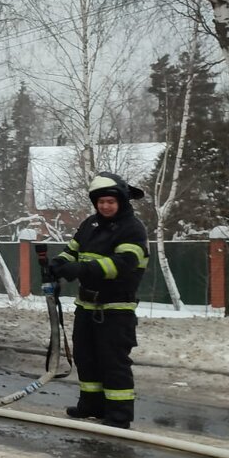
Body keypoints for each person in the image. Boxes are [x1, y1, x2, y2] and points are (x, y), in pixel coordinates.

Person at [49, 172, 149, 429]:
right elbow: (72, 250)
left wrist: (83, 270)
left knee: (113, 361)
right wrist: (59, 264)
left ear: (122, 202)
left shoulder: (133, 229)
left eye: (110, 202)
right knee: (86, 357)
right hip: (87, 306)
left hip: (116, 308)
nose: (105, 206)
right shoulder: (89, 225)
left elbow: (124, 264)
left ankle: (118, 415)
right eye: (101, 201)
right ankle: (91, 405)